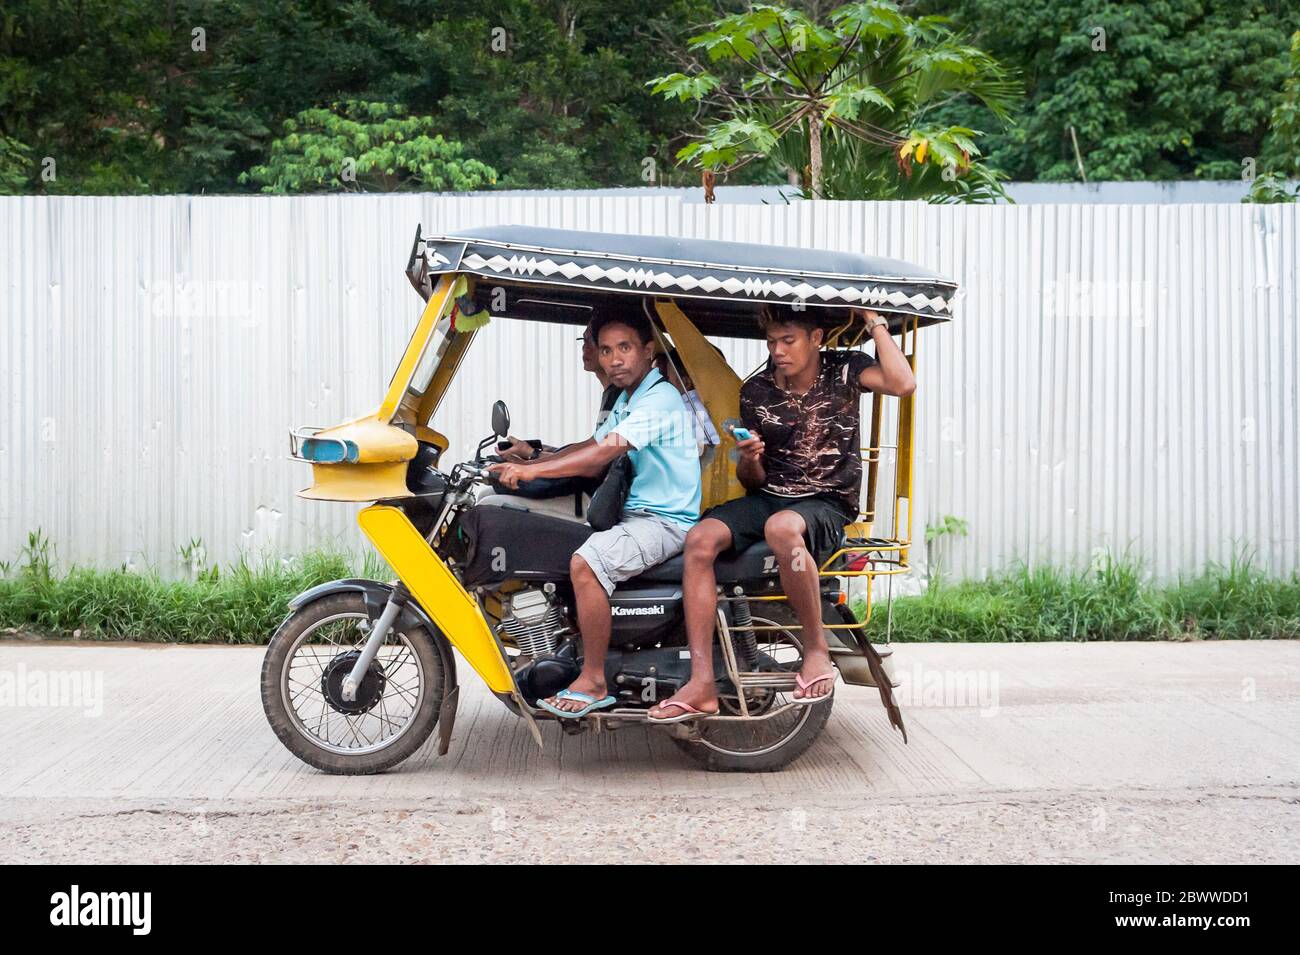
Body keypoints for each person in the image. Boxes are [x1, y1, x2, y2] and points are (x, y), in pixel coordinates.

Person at [647, 304, 916, 722]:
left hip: (826, 502)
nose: (778, 351)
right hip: (771, 495)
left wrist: (872, 321)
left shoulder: (844, 371)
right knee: (699, 539)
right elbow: (754, 481)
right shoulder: (756, 392)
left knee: (782, 528)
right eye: (772, 342)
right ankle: (700, 683)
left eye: (788, 340)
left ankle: (816, 650)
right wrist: (750, 458)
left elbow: (902, 383)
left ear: (816, 338)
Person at [488, 310, 702, 718]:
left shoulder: (660, 398)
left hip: (664, 522)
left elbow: (602, 455)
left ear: (647, 350)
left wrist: (531, 470)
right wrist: (530, 456)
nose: (614, 359)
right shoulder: (629, 398)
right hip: (637, 515)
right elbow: (590, 445)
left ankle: (594, 678)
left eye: (624, 348)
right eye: (605, 350)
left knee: (586, 562)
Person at [655, 346, 721, 450]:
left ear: (685, 383)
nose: (665, 384)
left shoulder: (678, 410)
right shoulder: (722, 405)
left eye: (667, 379)